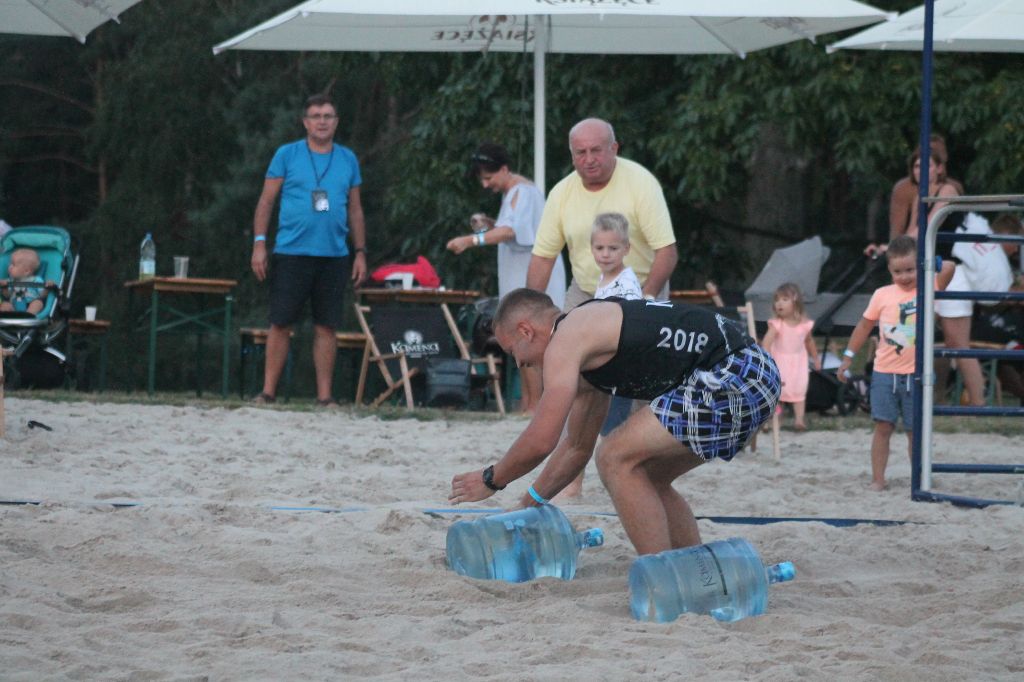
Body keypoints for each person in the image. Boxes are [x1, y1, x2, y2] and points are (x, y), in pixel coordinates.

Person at [449, 288, 781, 556]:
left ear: (526, 330)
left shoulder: (568, 335)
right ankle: (691, 568)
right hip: (754, 374)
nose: (519, 363)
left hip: (735, 372)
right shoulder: (589, 348)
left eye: (513, 352)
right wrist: (525, 506)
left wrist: (492, 479)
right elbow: (575, 448)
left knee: (613, 457)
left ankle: (661, 573)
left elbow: (542, 438)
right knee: (646, 476)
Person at [250, 93, 367, 406]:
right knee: (280, 322)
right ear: (305, 122)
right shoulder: (286, 155)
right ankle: (268, 392)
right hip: (292, 251)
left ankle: (325, 396)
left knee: (327, 325)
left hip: (335, 255)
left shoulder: (348, 159)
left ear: (336, 121)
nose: (322, 121)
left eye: (328, 116)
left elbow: (355, 210)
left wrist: (360, 252)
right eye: (315, 116)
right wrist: (259, 243)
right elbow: (265, 201)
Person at [446, 141, 566, 414]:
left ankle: (534, 407)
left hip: (533, 280)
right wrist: (490, 224)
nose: (486, 185)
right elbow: (512, 228)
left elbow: (511, 232)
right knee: (520, 344)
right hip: (518, 279)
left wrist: (470, 240)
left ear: (504, 168)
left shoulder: (522, 192)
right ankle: (527, 404)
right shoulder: (512, 192)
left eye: (489, 178)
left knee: (531, 341)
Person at [838, 236, 956, 491]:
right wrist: (848, 356)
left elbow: (950, 267)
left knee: (915, 431)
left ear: (920, 266)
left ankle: (919, 479)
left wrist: (931, 264)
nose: (904, 276)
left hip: (917, 373)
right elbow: (864, 326)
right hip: (884, 372)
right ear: (889, 270)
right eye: (898, 271)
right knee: (884, 426)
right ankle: (878, 479)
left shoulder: (929, 287)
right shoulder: (882, 295)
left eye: (910, 269)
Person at [526, 118, 678, 309]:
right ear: (572, 155)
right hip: (586, 291)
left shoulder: (642, 183)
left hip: (639, 289)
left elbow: (666, 251)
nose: (589, 159)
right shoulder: (560, 193)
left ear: (614, 149)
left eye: (596, 150)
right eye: (581, 152)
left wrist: (646, 298)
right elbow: (543, 258)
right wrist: (529, 309)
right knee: (566, 337)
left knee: (634, 337)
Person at [935, 212, 1024, 405]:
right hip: (950, 276)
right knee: (947, 344)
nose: (1017, 249)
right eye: (1017, 242)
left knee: (956, 345)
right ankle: (964, 402)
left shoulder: (982, 239)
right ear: (1007, 233)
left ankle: (976, 403)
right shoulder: (992, 257)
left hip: (951, 277)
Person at [591, 212, 643, 436]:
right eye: (600, 248)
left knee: (613, 427)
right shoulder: (604, 280)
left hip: (621, 363)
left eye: (613, 248)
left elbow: (631, 320)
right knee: (603, 422)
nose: (605, 254)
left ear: (627, 249)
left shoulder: (627, 283)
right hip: (606, 360)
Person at [865, 140, 961, 258]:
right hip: (932, 259)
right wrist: (883, 249)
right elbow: (911, 235)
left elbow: (928, 226)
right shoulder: (919, 198)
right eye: (917, 166)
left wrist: (893, 247)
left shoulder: (947, 190)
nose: (921, 170)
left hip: (958, 261)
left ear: (939, 169)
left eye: (927, 165)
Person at [760, 283, 821, 431]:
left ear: (795, 301)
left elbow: (809, 341)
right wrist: (767, 359)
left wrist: (816, 359)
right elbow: (767, 342)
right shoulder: (777, 324)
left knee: (799, 392)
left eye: (784, 299)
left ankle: (799, 419)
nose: (779, 303)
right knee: (780, 395)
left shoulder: (804, 325)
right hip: (780, 362)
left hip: (798, 362)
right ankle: (776, 420)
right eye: (777, 300)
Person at [1, 248, 52, 315]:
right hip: (14, 307)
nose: (9, 267)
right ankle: (5, 317)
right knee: (5, 304)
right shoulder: (10, 280)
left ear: (26, 271)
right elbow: (7, 296)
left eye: (13, 265)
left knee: (38, 303)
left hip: (30, 304)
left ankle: (28, 315)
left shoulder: (36, 280)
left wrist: (47, 286)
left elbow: (42, 295)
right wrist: (5, 287)